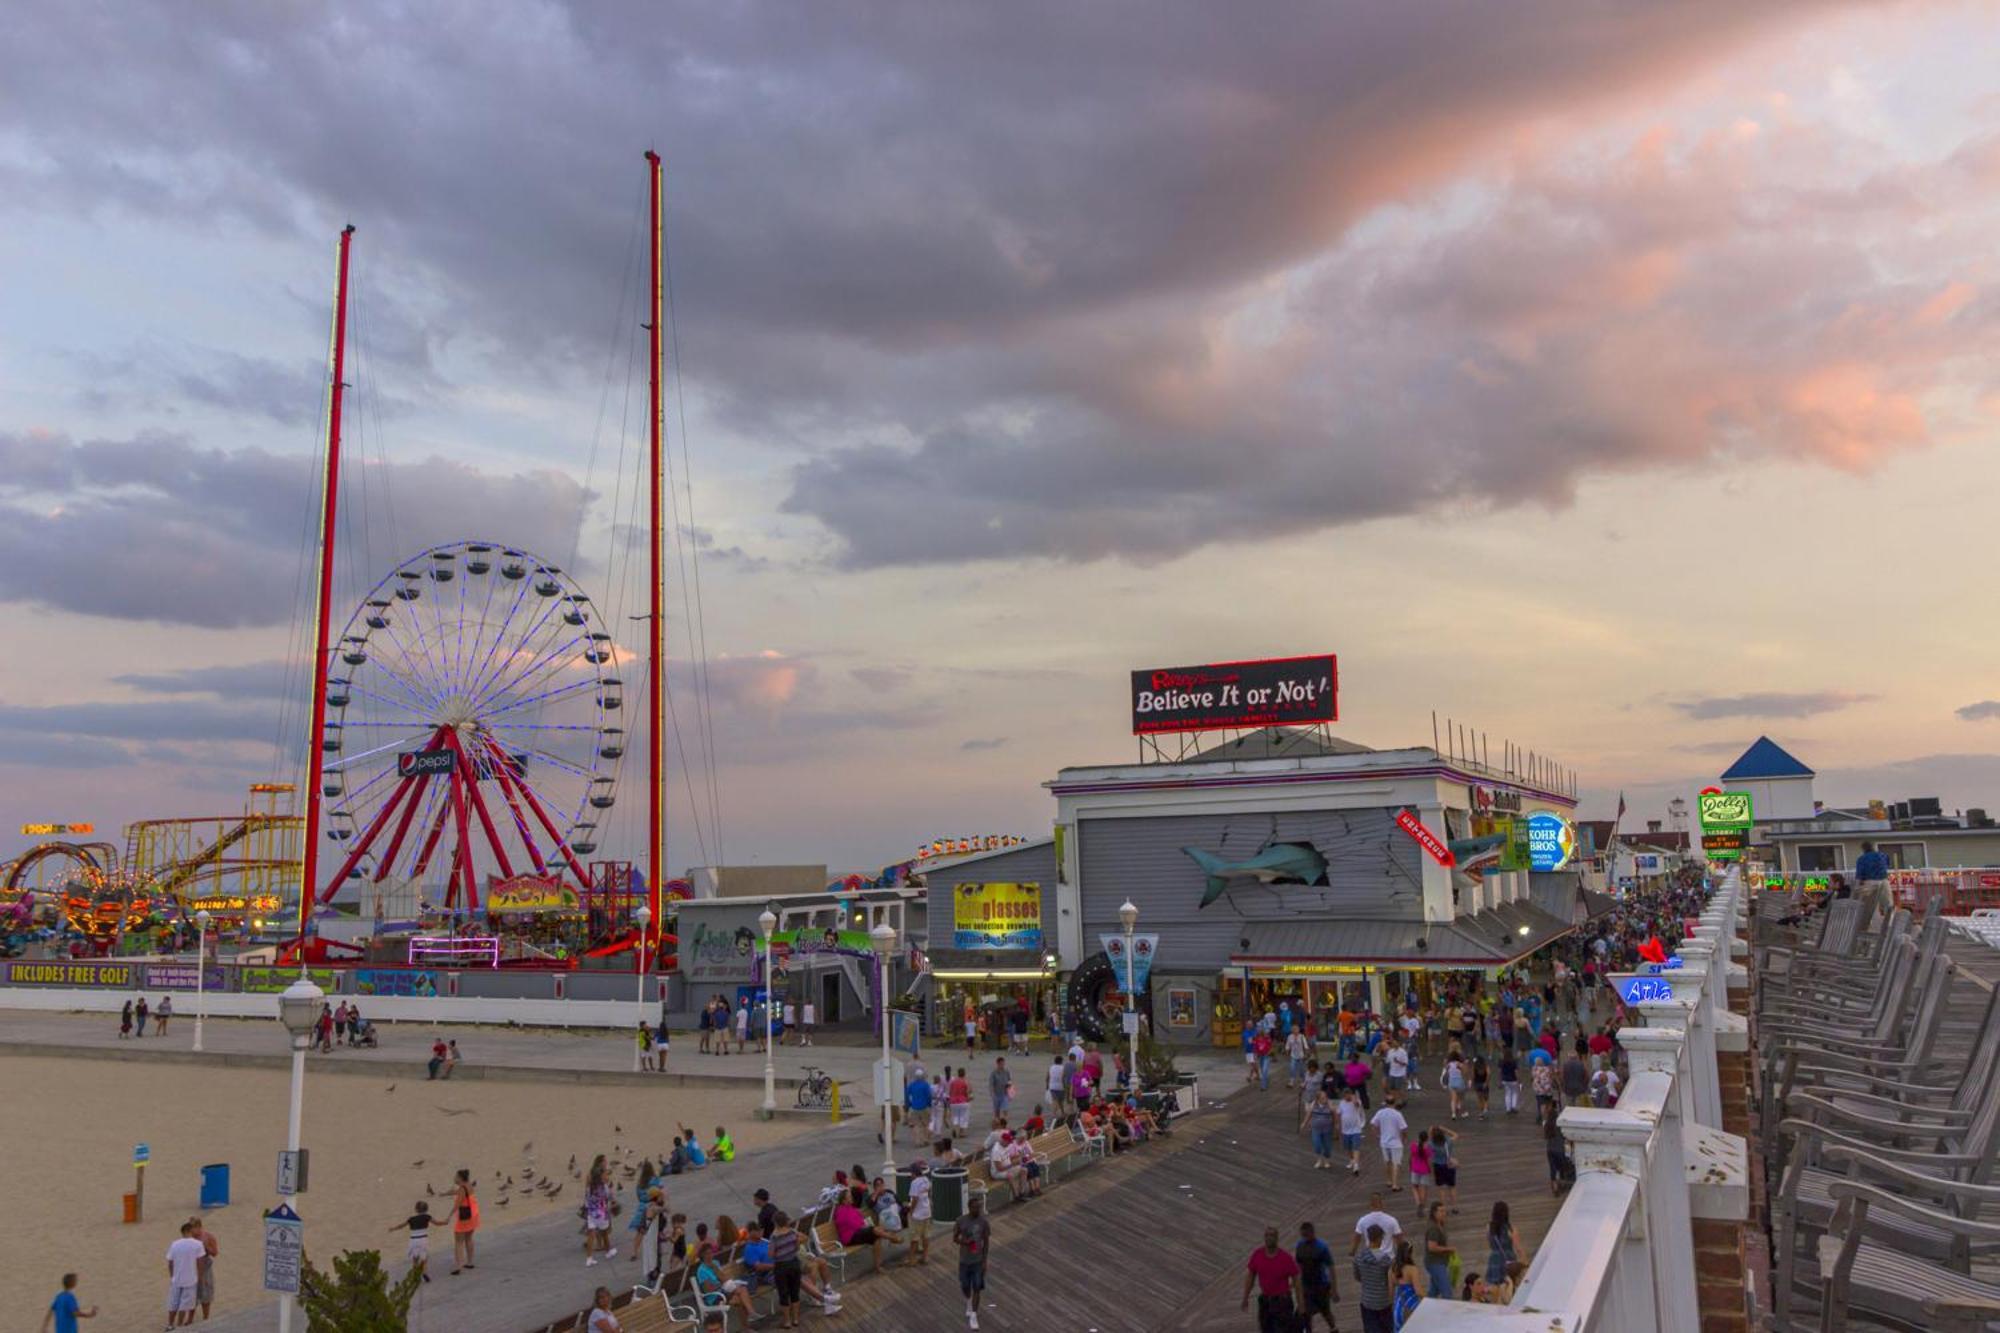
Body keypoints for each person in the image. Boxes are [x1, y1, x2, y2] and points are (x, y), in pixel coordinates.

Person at [1241, 1225, 1303, 1333]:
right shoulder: (1257, 1255)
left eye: (1272, 1235)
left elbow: (1297, 1280)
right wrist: (1245, 1297)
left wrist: (1301, 1304)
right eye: (1267, 1235)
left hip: (1282, 1303)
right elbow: (1250, 1277)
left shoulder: (1285, 1258)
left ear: (1277, 1238)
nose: (1269, 1238)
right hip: (1265, 1301)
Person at [953, 1193, 992, 1329]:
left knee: (977, 1287)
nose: (978, 1210)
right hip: (964, 1260)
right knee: (965, 1286)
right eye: (975, 1208)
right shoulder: (961, 1221)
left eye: (979, 1208)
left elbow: (986, 1241)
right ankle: (968, 1301)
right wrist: (965, 1242)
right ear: (969, 1208)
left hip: (977, 1260)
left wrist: (985, 1260)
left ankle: (974, 1315)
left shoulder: (983, 1222)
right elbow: (955, 1238)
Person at [1294, 1221, 1338, 1332]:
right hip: (1306, 1285)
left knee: (1325, 1311)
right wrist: (1296, 1282)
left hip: (1321, 1285)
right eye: (1303, 1235)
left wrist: (1334, 1289)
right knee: (1306, 1313)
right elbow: (1298, 1265)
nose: (1305, 1238)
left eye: (1306, 1235)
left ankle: (1333, 1328)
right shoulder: (1299, 1246)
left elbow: (1331, 1267)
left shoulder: (1321, 1247)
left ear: (1312, 1232)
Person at [1352, 1229, 1395, 1333]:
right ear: (1379, 1239)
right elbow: (1390, 1280)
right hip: (1384, 1301)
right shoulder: (1385, 1259)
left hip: (1367, 1301)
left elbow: (1357, 1277)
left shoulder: (1358, 1258)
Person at [166, 1220, 205, 1327]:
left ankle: (170, 1324)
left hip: (177, 1278)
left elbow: (170, 1262)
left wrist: (172, 1275)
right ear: (189, 1230)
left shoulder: (174, 1244)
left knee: (173, 1302)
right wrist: (200, 1277)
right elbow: (200, 1262)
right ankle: (179, 1325)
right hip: (190, 1278)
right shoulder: (198, 1244)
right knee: (185, 1304)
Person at [833, 1193, 884, 1270]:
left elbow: (860, 1221)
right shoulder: (840, 1211)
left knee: (876, 1237)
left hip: (857, 1233)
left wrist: (861, 1222)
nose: (852, 1198)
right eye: (849, 1197)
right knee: (875, 1231)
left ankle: (878, 1266)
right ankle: (892, 1237)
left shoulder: (851, 1208)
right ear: (844, 1201)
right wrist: (861, 1225)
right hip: (849, 1238)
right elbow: (851, 1224)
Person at [1372, 1095, 1409, 1192]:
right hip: (1396, 1142)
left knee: (1387, 1162)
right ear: (1394, 1102)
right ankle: (1395, 1184)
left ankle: (1388, 1180)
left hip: (1384, 1141)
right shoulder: (1397, 1114)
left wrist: (1377, 1135)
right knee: (1396, 1163)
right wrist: (1404, 1138)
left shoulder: (1380, 1112)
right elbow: (1404, 1128)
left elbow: (1373, 1124)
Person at [583, 1156, 615, 1266]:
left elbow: (587, 1196)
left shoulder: (590, 1186)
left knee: (591, 1234)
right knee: (604, 1233)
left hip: (591, 1212)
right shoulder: (602, 1187)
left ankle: (589, 1258)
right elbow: (608, 1196)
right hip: (601, 1212)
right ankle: (608, 1251)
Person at [392, 1201, 433, 1282]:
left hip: (413, 1240)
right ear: (426, 1209)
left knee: (415, 1258)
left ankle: (415, 1275)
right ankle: (424, 1272)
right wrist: (445, 1222)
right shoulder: (427, 1217)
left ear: (416, 1209)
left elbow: (401, 1226)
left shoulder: (411, 1219)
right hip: (423, 1239)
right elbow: (438, 1223)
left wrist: (393, 1228)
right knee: (424, 1258)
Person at [1485, 1200, 1523, 1284]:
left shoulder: (1489, 1227)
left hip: (1494, 1258)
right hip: (1509, 1258)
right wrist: (1525, 1261)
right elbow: (1518, 1247)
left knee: (1496, 1285)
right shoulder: (1510, 1228)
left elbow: (1490, 1243)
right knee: (1510, 1283)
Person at [189, 1214, 219, 1319]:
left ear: (199, 1227)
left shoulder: (209, 1237)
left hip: (205, 1267)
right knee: (192, 1295)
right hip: (192, 1267)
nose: (191, 1231)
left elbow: (215, 1253)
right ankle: (190, 1319)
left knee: (206, 1294)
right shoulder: (189, 1237)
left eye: (193, 1228)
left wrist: (206, 1248)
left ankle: (206, 1317)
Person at [1423, 1202, 1455, 1299]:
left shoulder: (1441, 1224)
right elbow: (1432, 1247)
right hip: (1435, 1263)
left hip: (1440, 1262)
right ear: (1434, 1213)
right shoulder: (1433, 1228)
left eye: (1444, 1211)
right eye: (1441, 1211)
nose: (1443, 1213)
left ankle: (1424, 1309)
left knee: (1433, 1292)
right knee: (1447, 1292)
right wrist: (1448, 1249)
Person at [1391, 1238, 1424, 1327]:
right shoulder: (1412, 1269)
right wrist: (1427, 1300)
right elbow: (1418, 1291)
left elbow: (1390, 1293)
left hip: (1398, 1307)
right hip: (1411, 1307)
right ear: (1409, 1253)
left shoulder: (1392, 1269)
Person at [1854, 841, 1891, 920]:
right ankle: (1889, 924)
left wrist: (1858, 886)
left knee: (1871, 905)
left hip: (1870, 882)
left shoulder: (1862, 859)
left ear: (1863, 849)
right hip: (1884, 881)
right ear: (1873, 847)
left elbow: (1860, 874)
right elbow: (1887, 865)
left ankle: (1871, 925)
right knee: (1887, 904)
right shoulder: (1883, 855)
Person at [451, 1168, 479, 1273]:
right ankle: (470, 1262)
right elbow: (457, 1192)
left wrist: (448, 1217)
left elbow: (457, 1204)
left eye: (456, 1176)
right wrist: (445, 1194)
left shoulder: (462, 1188)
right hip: (473, 1215)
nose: (454, 1177)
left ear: (460, 1178)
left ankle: (458, 1266)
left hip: (464, 1217)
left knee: (458, 1242)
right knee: (469, 1238)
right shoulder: (469, 1185)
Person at [1429, 1125, 1461, 1215]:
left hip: (1438, 1166)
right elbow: (1456, 1135)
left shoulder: (1431, 1144)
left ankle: (1443, 1208)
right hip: (1449, 1165)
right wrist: (1445, 1129)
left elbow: (1430, 1156)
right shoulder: (1448, 1141)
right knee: (1452, 1187)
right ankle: (1455, 1207)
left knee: (1441, 1189)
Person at [907, 1161, 934, 1264]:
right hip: (927, 1212)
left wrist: (910, 1212)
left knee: (914, 1238)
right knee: (926, 1236)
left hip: (917, 1215)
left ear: (913, 1173)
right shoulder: (926, 1180)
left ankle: (911, 1259)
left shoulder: (914, 1183)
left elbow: (914, 1199)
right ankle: (925, 1257)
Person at [1304, 1086, 1335, 1170]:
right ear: (1318, 1099)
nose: (1325, 1099)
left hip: (1327, 1129)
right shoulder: (1314, 1104)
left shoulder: (1329, 1104)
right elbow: (1309, 1114)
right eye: (1323, 1098)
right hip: (1316, 1129)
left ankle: (1326, 1160)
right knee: (1317, 1145)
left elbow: (1334, 1113)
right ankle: (1319, 1160)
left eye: (1325, 1097)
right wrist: (1304, 1123)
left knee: (1327, 1146)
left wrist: (1336, 1125)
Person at [948, 1066, 973, 1134]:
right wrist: (970, 1097)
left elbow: (950, 1092)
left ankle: (955, 1129)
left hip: (953, 1102)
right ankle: (961, 1132)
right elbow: (968, 1092)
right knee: (963, 1117)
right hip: (963, 1101)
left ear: (958, 1073)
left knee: (955, 1116)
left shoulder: (953, 1082)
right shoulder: (965, 1082)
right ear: (964, 1073)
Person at [1499, 1048, 1521, 1116]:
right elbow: (1516, 1072)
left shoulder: (1501, 1061)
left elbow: (1500, 1072)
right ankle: (1513, 1107)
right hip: (1513, 1080)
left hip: (1505, 1080)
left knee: (1507, 1094)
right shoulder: (1514, 1061)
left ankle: (1508, 1109)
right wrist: (1519, 1079)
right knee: (1514, 1093)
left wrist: (1500, 1080)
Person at [1251, 1026, 1274, 1091]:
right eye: (1258, 1031)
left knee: (1264, 1070)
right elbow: (1255, 1048)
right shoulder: (1256, 1039)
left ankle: (1263, 1086)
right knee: (1263, 1071)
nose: (1259, 1032)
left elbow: (1271, 1046)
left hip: (1266, 1056)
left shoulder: (1267, 1038)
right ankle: (1265, 1081)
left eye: (1260, 1031)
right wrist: (1255, 1055)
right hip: (1260, 1056)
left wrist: (1269, 1052)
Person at [1471, 1053, 1491, 1120]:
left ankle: (1481, 1113)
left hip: (1477, 1084)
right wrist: (1486, 1082)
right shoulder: (1486, 1066)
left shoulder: (1475, 1066)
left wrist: (1473, 1083)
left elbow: (1473, 1076)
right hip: (1484, 1083)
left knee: (1479, 1099)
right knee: (1486, 1098)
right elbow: (1488, 1074)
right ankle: (1485, 1108)